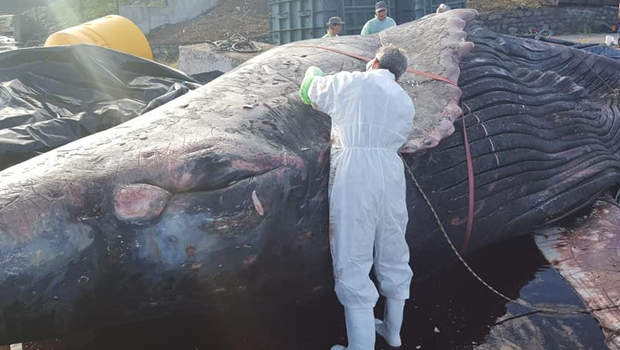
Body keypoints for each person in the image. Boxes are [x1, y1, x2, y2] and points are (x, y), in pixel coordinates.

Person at [299, 46, 415, 350]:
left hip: (355, 171)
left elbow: (309, 91)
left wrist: (314, 73)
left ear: (374, 62)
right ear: (399, 76)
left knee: (353, 256)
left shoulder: (353, 81)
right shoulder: (404, 100)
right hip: (391, 171)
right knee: (393, 249)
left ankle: (360, 347)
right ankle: (393, 332)